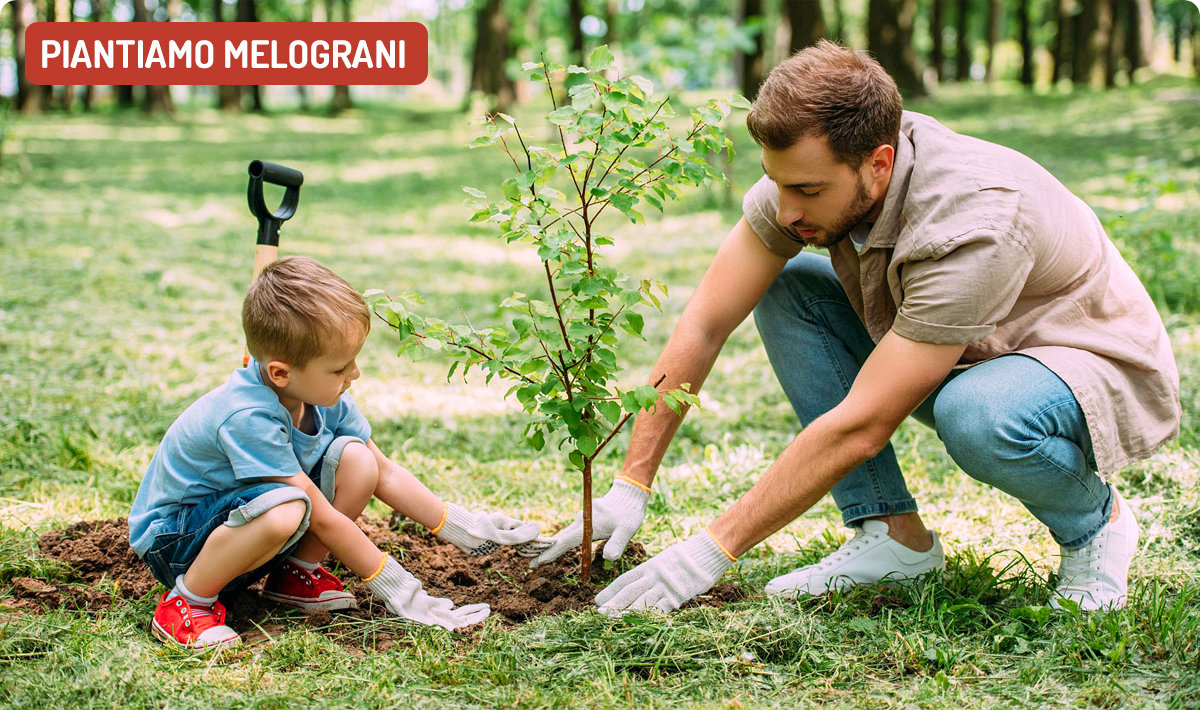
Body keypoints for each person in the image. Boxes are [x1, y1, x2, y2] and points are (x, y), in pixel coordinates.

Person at [533, 41, 1180, 614]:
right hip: (963, 344)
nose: (787, 211)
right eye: (776, 183)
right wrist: (630, 483)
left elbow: (865, 424)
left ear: (878, 162)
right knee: (789, 290)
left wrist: (710, 550)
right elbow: (705, 321)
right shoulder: (805, 179)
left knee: (976, 413)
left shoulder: (973, 221)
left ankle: (1096, 525)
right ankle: (893, 539)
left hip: (1081, 363)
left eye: (808, 192)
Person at [129, 256, 545, 649]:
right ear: (280, 372)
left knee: (357, 461)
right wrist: (400, 589)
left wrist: (464, 528)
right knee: (289, 507)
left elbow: (384, 473)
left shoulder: (320, 394)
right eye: (340, 367)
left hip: (240, 528)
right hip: (178, 542)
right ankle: (186, 604)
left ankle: (294, 576)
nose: (354, 373)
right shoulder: (246, 416)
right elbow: (322, 517)